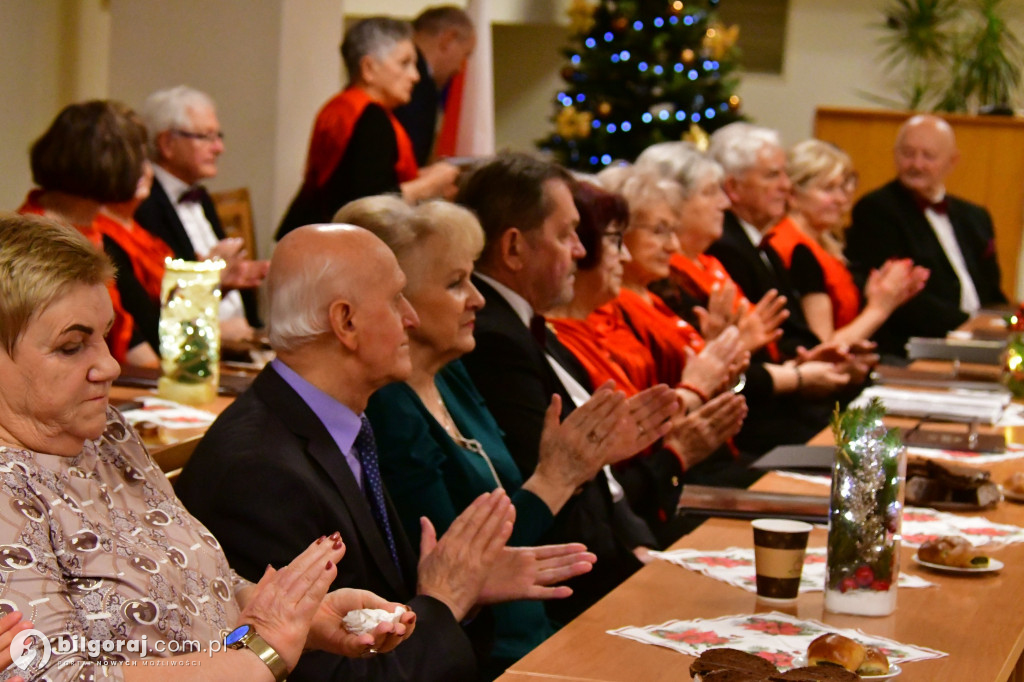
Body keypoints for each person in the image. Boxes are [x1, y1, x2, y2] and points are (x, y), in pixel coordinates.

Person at [0, 213, 413, 681]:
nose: (110, 366)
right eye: (73, 347)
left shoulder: (104, 432)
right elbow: (55, 677)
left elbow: (197, 583)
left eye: (105, 336)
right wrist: (261, 652)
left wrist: (296, 616)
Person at [176, 223, 596, 681]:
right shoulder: (258, 473)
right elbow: (337, 675)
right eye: (397, 299)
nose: (410, 318)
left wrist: (462, 590)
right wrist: (443, 600)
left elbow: (380, 611)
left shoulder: (338, 423)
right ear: (346, 322)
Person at [341, 197, 647, 676]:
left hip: (539, 632)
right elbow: (464, 565)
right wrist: (556, 478)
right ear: (399, 302)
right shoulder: (389, 406)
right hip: (486, 655)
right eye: (455, 283)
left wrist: (569, 471)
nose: (478, 298)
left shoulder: (451, 372)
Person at [456, 153, 683, 622]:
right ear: (514, 248)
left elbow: (595, 479)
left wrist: (639, 547)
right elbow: (546, 490)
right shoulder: (495, 338)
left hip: (607, 560)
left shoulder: (526, 326)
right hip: (565, 594)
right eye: (565, 235)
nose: (581, 251)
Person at [276, 17, 460, 239]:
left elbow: (355, 178)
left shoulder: (344, 106)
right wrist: (429, 185)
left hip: (310, 233)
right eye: (404, 63)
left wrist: (420, 175)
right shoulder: (369, 119)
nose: (415, 76)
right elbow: (368, 203)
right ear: (368, 68)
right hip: (334, 246)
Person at [846, 114, 1006, 356]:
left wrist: (1005, 324)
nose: (916, 164)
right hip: (914, 346)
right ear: (895, 154)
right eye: (908, 154)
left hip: (979, 340)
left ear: (952, 161)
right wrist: (967, 327)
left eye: (928, 156)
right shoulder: (876, 209)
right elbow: (901, 299)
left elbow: (991, 290)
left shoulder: (975, 216)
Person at [20, 100, 158, 367]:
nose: (145, 169)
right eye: (139, 157)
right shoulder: (40, 242)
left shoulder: (91, 228)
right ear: (105, 163)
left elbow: (128, 336)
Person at [135, 85, 266, 343]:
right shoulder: (144, 204)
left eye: (219, 136)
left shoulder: (202, 198)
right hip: (191, 346)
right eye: (206, 136)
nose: (219, 148)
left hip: (238, 339)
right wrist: (213, 277)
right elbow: (161, 300)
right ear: (167, 143)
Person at [770, 139, 929, 346]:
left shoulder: (824, 244)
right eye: (828, 189)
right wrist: (880, 308)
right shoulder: (793, 247)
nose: (841, 199)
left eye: (843, 188)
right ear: (792, 194)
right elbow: (822, 347)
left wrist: (880, 295)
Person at [393, 6, 476, 165]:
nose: (460, 69)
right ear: (448, 39)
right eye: (465, 54)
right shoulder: (417, 85)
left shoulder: (414, 79)